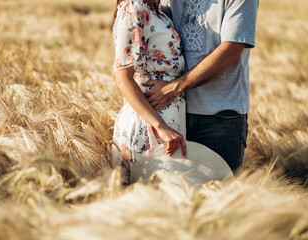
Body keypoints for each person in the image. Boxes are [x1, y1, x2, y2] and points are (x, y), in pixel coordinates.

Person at [142, 0, 259, 171]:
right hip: (172, 113)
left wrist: (174, 87)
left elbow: (232, 50)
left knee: (220, 192)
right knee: (173, 191)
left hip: (220, 116)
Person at [111, 0, 187, 185]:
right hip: (149, 125)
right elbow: (123, 78)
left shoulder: (156, 11)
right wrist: (162, 127)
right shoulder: (134, 8)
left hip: (166, 123)